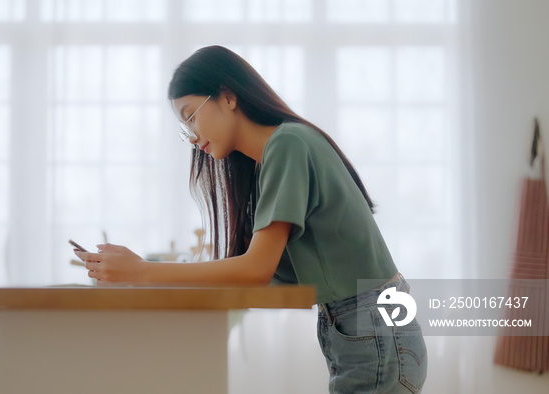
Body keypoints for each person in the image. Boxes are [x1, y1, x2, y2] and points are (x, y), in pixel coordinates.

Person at [74, 45, 427, 393]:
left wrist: (141, 272)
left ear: (227, 97)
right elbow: (262, 277)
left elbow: (255, 269)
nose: (193, 137)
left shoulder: (287, 144)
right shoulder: (267, 162)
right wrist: (143, 277)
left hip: (371, 329)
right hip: (362, 329)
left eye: (190, 115)